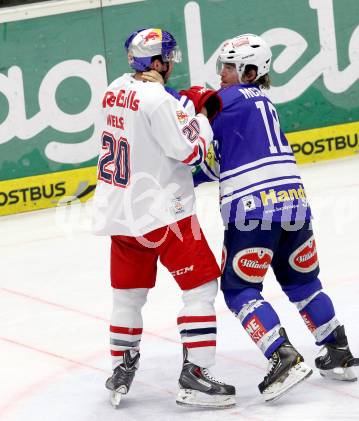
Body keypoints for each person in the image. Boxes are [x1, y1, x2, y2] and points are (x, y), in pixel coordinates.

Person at [192, 34, 357, 402]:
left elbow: (194, 141)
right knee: (303, 283)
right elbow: (223, 159)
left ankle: (282, 356)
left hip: (252, 210)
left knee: (239, 289)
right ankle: (337, 349)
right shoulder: (262, 101)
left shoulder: (223, 102)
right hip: (295, 204)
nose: (221, 73)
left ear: (250, 71)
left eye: (229, 68)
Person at [92, 27, 235, 409]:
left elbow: (144, 115)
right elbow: (190, 153)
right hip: (164, 214)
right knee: (201, 289)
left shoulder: (113, 89)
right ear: (156, 63)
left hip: (121, 214)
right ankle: (197, 377)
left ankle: (120, 367)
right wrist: (199, 114)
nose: (171, 64)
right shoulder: (158, 100)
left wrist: (175, 103)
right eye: (167, 58)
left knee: (127, 298)